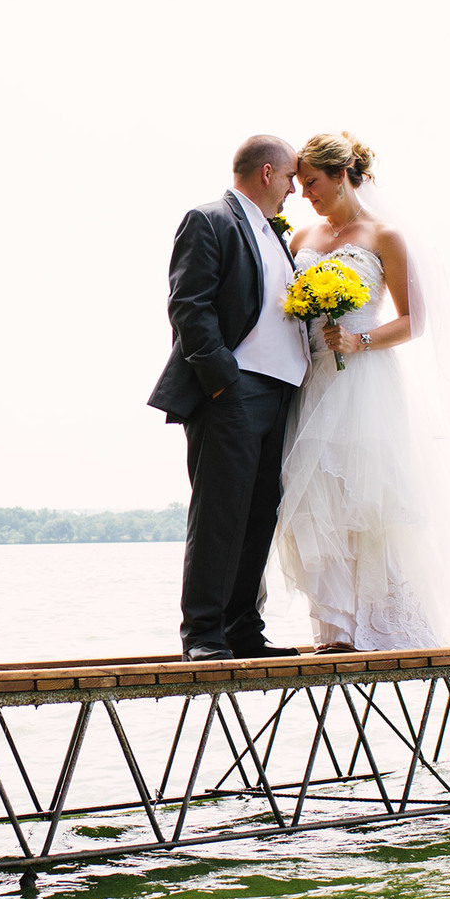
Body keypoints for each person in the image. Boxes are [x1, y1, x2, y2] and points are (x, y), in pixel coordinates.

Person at [271, 131, 450, 650]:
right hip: (314, 381)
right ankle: (337, 630)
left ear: (341, 175)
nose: (304, 194)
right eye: (298, 184)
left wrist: (360, 339)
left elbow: (414, 321)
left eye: (312, 182)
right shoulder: (300, 240)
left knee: (371, 501)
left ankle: (385, 626)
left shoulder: (385, 236)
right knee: (317, 500)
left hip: (366, 384)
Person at [148, 135, 307, 660]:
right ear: (267, 173)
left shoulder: (273, 233)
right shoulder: (210, 219)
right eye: (289, 180)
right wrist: (223, 381)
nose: (293, 192)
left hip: (278, 392)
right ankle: (203, 636)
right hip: (233, 391)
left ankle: (243, 631)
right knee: (220, 512)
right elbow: (189, 307)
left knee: (260, 513)